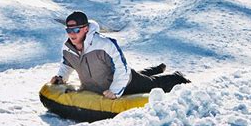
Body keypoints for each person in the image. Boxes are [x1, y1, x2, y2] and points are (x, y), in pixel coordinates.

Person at [51, 11, 190, 99]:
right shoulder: (67, 48)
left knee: (153, 84)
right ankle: (156, 69)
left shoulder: (104, 45)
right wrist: (61, 77)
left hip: (126, 82)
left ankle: (177, 77)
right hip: (97, 85)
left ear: (86, 29)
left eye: (75, 29)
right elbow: (67, 63)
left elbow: (121, 69)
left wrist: (115, 90)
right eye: (68, 30)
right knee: (140, 74)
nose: (71, 34)